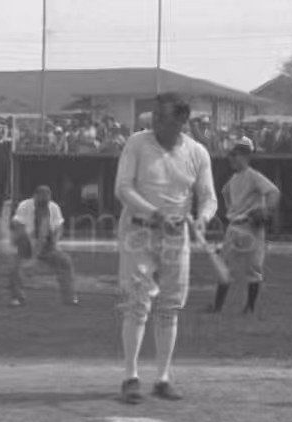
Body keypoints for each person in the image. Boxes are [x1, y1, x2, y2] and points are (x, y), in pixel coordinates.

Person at [114, 93, 217, 404]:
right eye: (154, 116)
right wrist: (156, 214)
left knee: (170, 306)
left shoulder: (197, 153)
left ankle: (162, 378)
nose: (154, 121)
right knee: (137, 301)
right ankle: (131, 377)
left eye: (162, 116)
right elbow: (123, 189)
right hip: (139, 230)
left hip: (176, 237)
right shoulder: (137, 143)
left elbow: (209, 196)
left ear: (181, 122)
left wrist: (202, 220)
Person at [207, 137, 280, 314]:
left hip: (251, 227)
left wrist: (266, 210)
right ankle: (217, 307)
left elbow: (273, 192)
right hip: (235, 226)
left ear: (245, 157)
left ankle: (249, 308)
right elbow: (226, 195)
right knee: (224, 266)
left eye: (235, 155)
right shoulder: (233, 179)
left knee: (253, 267)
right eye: (231, 156)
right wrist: (230, 213)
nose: (232, 159)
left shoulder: (254, 176)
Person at [8, 185, 78, 307]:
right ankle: (17, 297)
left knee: (65, 261)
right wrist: (29, 251)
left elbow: (57, 228)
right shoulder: (25, 206)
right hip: (26, 241)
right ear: (34, 197)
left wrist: (54, 243)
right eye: (41, 201)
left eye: (46, 200)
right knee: (16, 266)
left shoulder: (53, 207)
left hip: (47, 244)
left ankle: (70, 297)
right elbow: (19, 227)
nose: (44, 204)